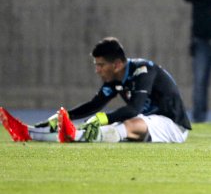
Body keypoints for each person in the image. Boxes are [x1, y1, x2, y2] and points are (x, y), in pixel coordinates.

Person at [0, 37, 191, 143]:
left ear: (116, 64)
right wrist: (58, 118)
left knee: (129, 122)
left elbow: (134, 108)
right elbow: (93, 106)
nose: (97, 70)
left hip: (174, 126)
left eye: (101, 65)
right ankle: (30, 132)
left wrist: (103, 118)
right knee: (107, 126)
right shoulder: (115, 78)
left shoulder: (143, 71)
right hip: (149, 124)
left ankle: (74, 136)